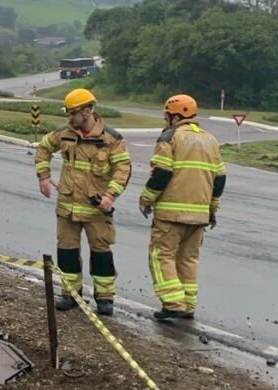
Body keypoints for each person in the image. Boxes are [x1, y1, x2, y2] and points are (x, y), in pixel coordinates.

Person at [34, 88, 132, 315]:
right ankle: (70, 294)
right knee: (66, 252)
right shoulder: (65, 133)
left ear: (87, 111)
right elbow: (43, 148)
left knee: (101, 254)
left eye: (73, 113)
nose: (69, 118)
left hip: (96, 210)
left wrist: (110, 196)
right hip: (67, 208)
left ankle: (105, 298)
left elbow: (122, 169)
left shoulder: (111, 140)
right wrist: (44, 176)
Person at [138, 94, 225, 320]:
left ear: (175, 116)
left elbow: (161, 173)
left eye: (167, 115)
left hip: (171, 214)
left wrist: (146, 199)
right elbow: (219, 179)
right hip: (200, 216)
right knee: (188, 259)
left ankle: (173, 304)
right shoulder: (211, 140)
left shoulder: (170, 137)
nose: (165, 119)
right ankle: (188, 305)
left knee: (161, 255)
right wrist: (212, 209)